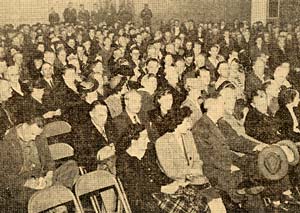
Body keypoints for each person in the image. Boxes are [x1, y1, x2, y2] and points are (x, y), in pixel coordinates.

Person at [0, 118, 79, 212]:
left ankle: (53, 198)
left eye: (36, 135)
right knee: (34, 195)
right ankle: (56, 201)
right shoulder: (5, 142)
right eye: (32, 134)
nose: (34, 138)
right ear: (24, 126)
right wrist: (30, 183)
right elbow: (6, 177)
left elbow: (49, 161)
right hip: (22, 185)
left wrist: (49, 177)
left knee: (71, 166)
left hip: (41, 179)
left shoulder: (39, 135)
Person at [116, 123, 172, 212]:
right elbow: (136, 186)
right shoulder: (123, 161)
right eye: (145, 138)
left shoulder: (147, 154)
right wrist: (162, 189)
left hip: (158, 194)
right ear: (133, 142)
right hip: (143, 203)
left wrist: (172, 183)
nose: (148, 140)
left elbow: (158, 174)